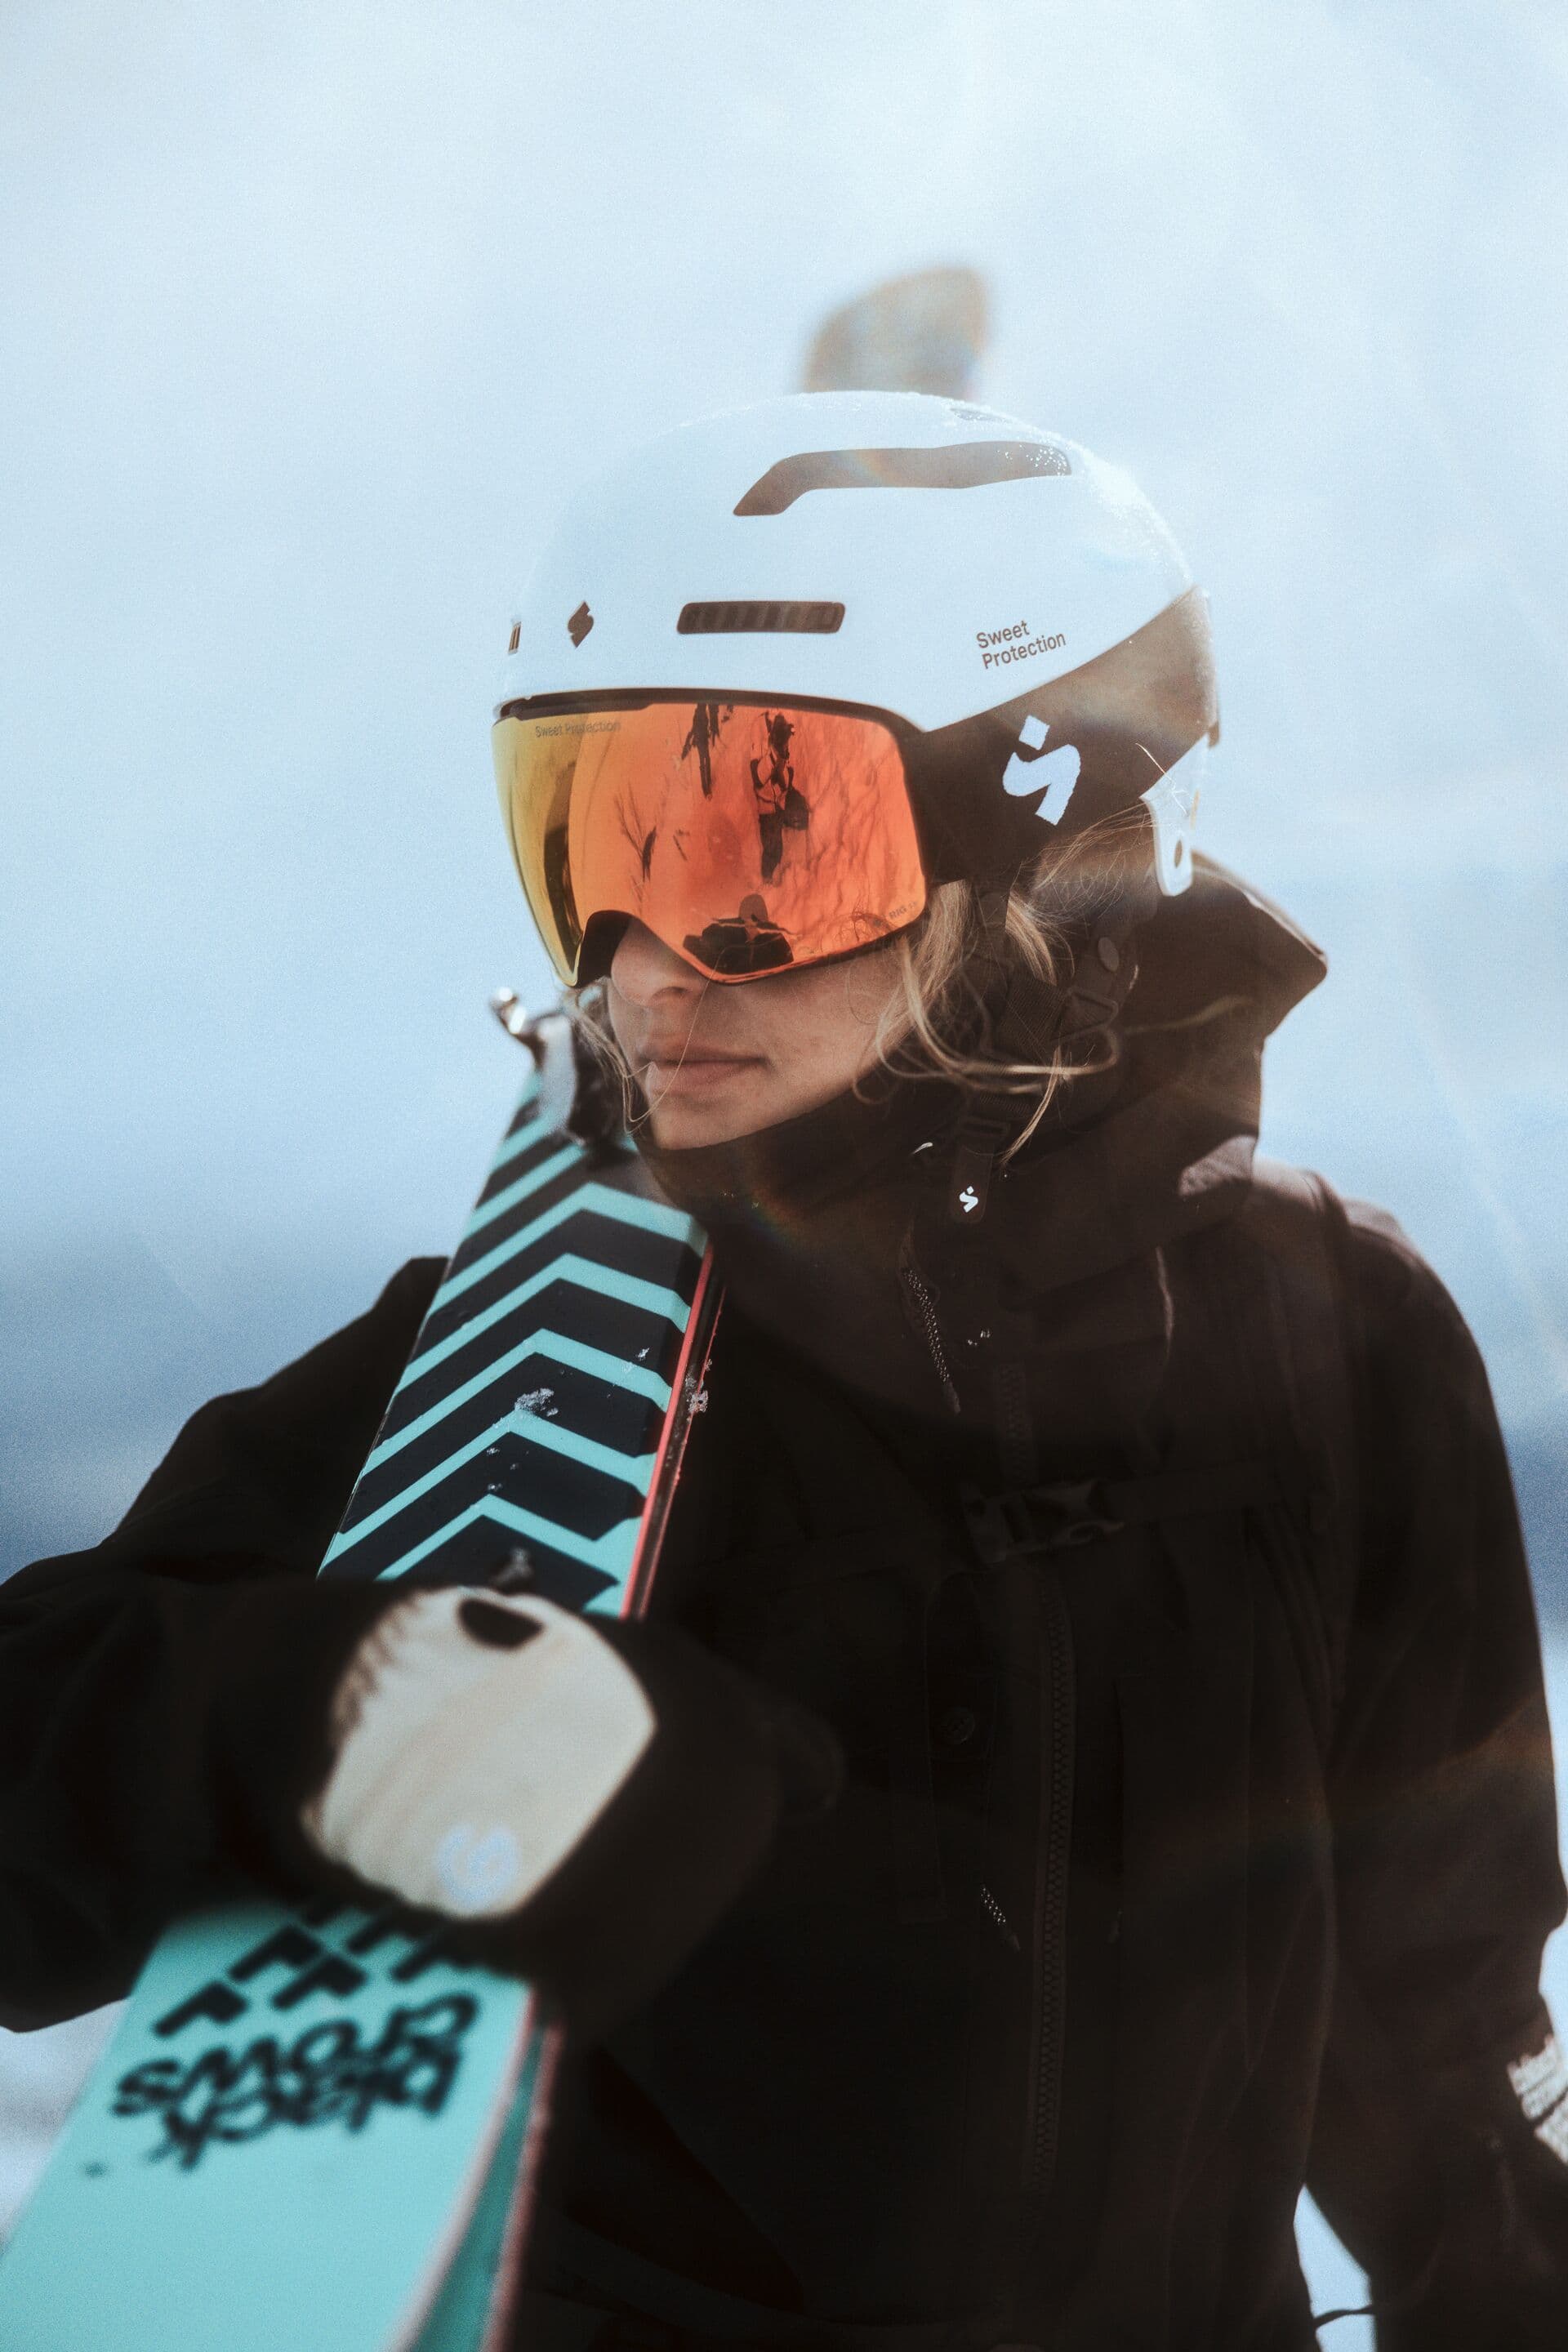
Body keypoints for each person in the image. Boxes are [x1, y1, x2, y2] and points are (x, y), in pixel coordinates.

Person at [2, 392, 1566, 2352]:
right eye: (589, 837)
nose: (646, 960)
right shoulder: (532, 1371)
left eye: (764, 840)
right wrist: (316, 1702)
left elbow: (1441, 2025)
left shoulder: (1336, 1335)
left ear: (1044, 848)